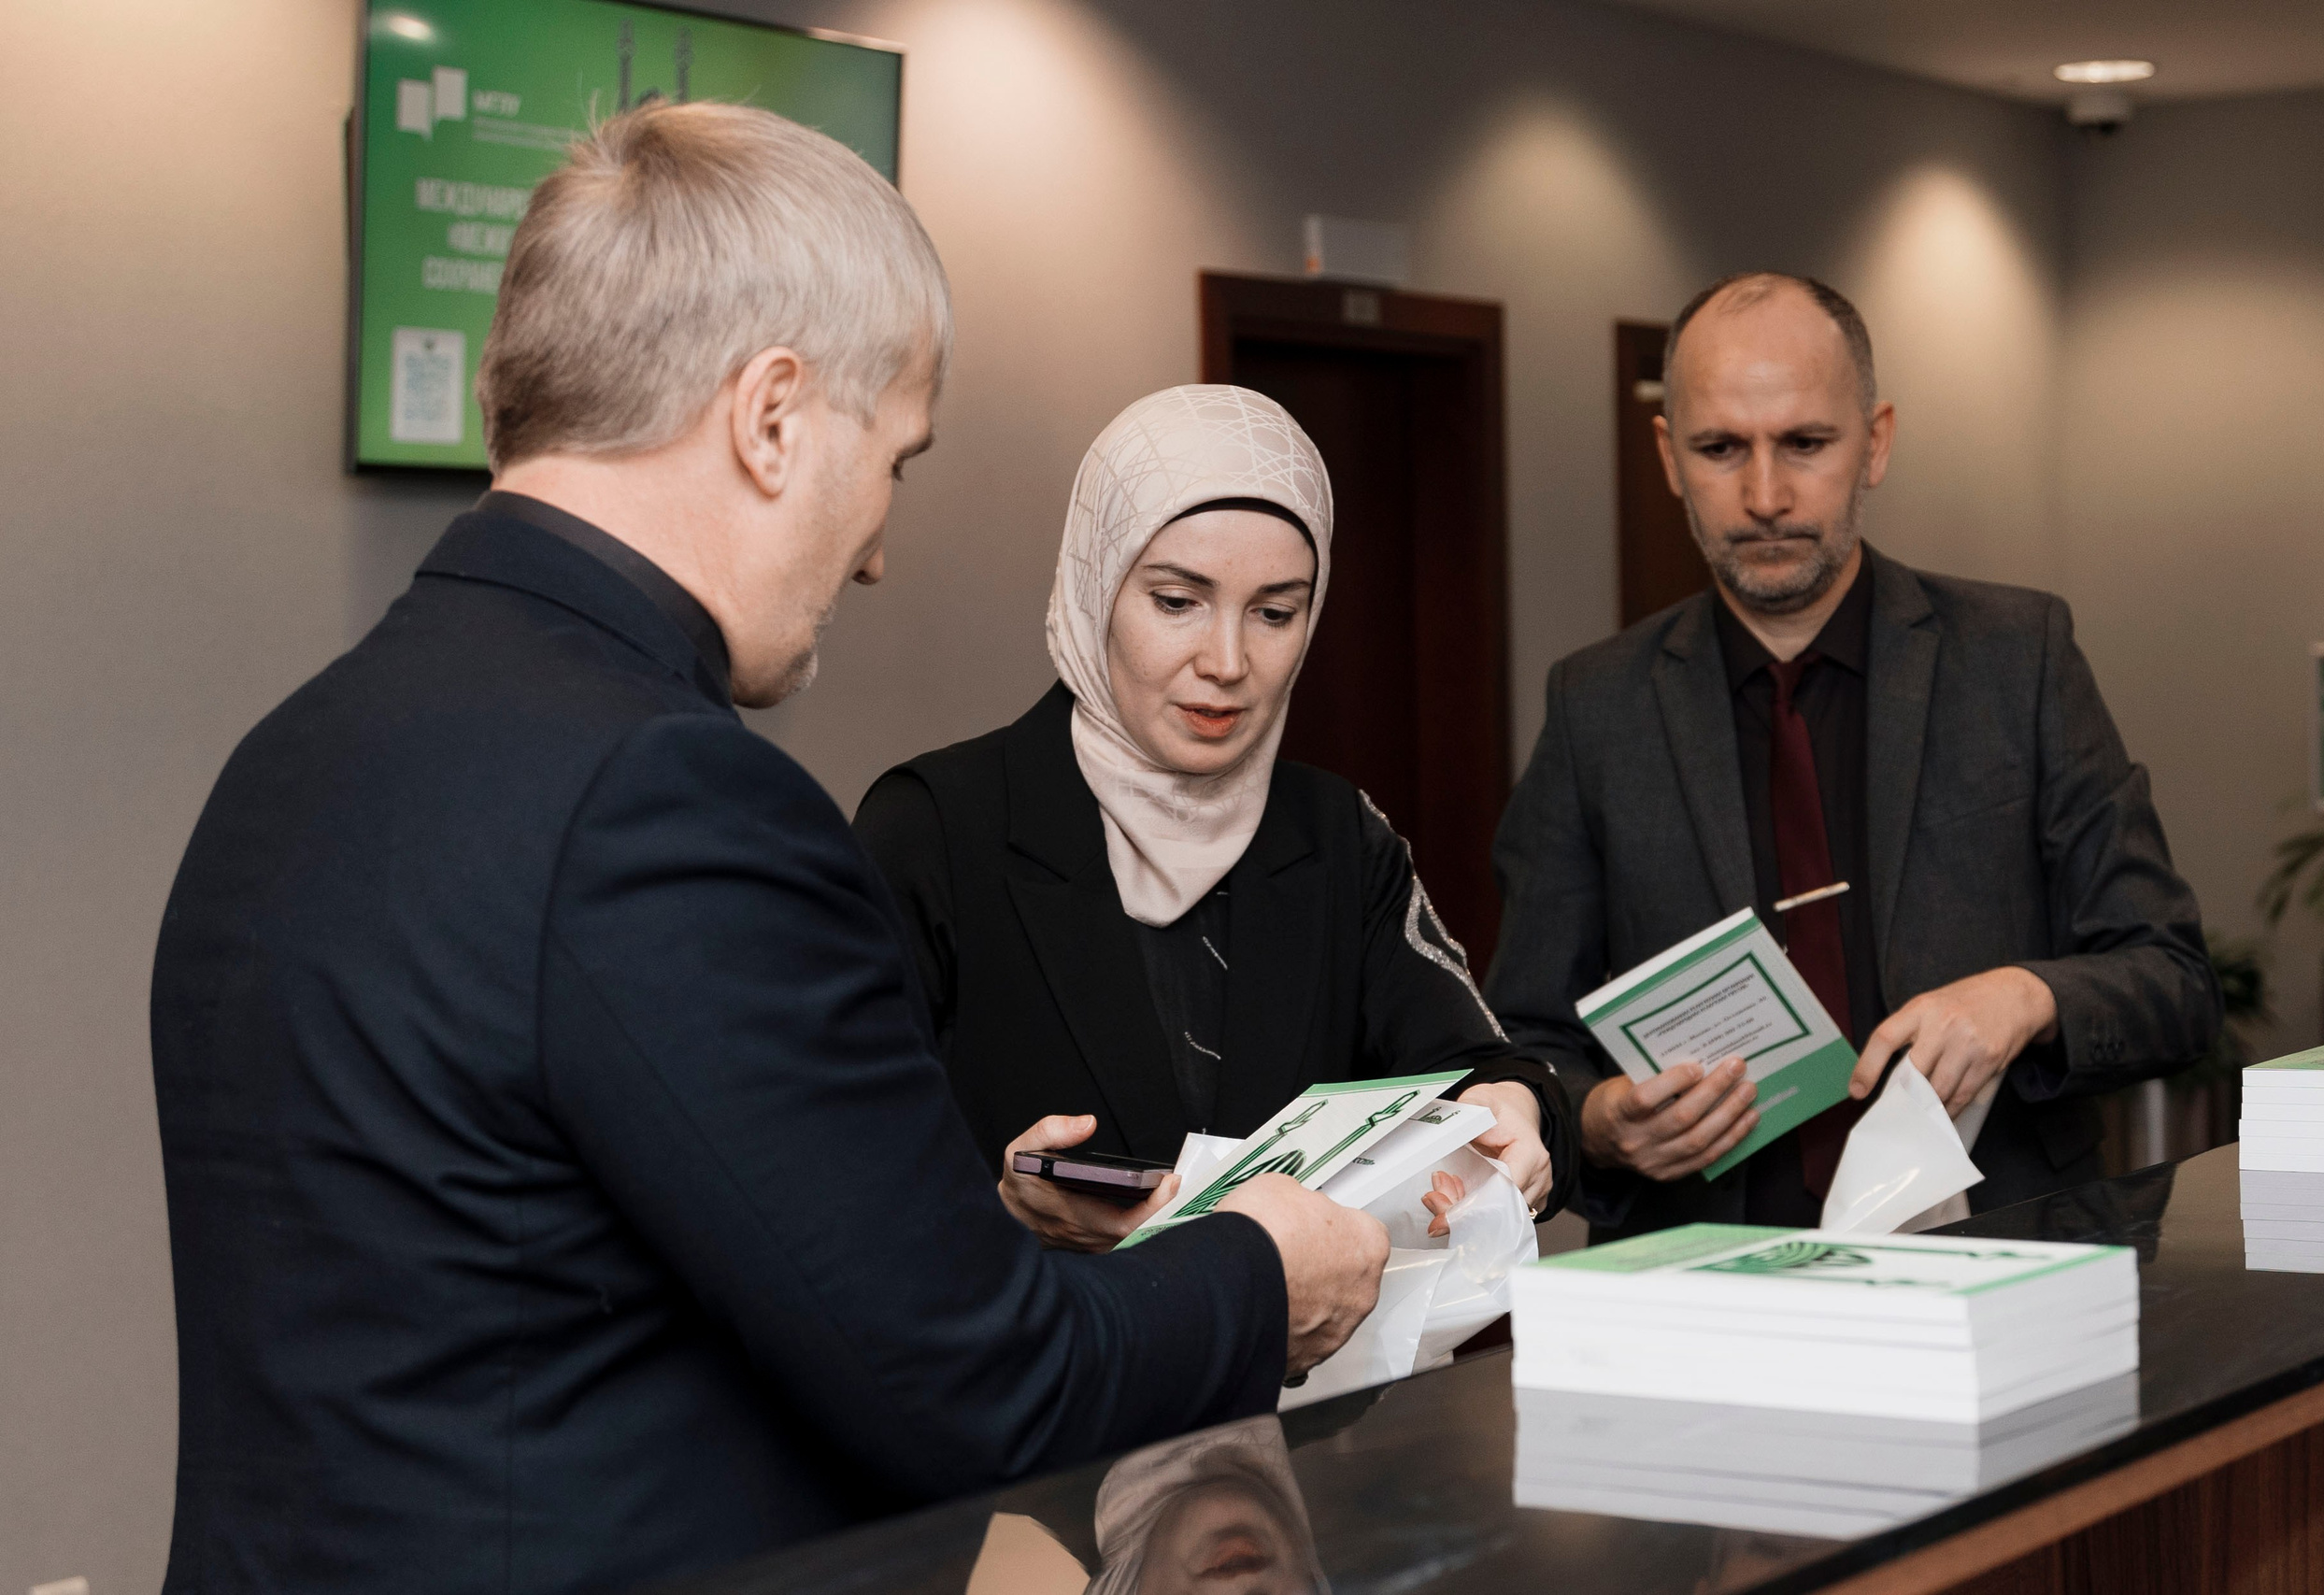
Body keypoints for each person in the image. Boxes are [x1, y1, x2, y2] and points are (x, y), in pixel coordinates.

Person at [147, 105, 1388, 1595]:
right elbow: (978, 1387)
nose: (877, 546)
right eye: (898, 461)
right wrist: (1262, 1265)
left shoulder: (293, 751)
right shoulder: (667, 797)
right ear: (775, 416)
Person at [1482, 271, 2219, 1235]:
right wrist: (1598, 1121)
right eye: (1718, 449)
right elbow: (1525, 1040)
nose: (1764, 495)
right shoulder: (1596, 707)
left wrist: (2024, 996)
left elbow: (2173, 979)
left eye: (1804, 443)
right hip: (1711, 1280)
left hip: (2001, 1257)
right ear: (1667, 456)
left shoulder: (2015, 659)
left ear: (1874, 443)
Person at [853, 386, 1570, 1251]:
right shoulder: (935, 827)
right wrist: (1002, 1211)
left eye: (1275, 613)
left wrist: (1512, 1112)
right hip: (1038, 1367)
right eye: (1176, 601)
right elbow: (835, 1176)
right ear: (1095, 587)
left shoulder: (1337, 834)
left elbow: (1487, 1065)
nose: (1227, 663)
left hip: (1301, 1377)